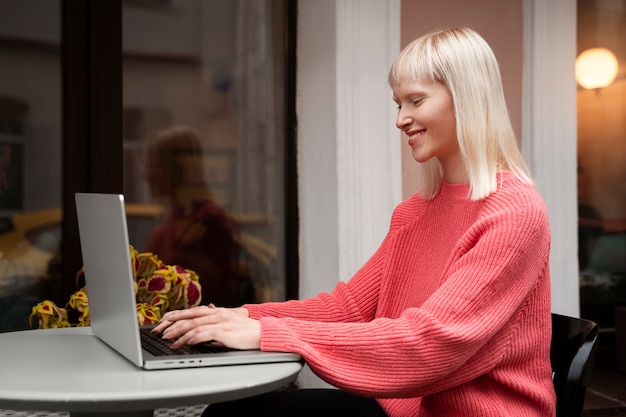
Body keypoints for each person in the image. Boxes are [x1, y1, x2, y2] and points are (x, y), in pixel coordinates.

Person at [153, 27, 556, 417]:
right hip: (401, 408)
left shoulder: (513, 212)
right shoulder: (416, 211)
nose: (402, 119)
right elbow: (349, 308)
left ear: (468, 99)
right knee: (236, 411)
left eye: (416, 100)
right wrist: (243, 316)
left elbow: (431, 342)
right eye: (399, 104)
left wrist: (266, 333)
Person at [142, 126, 251, 307]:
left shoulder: (209, 223)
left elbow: (213, 294)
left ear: (179, 170)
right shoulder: (172, 222)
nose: (147, 175)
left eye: (155, 166)